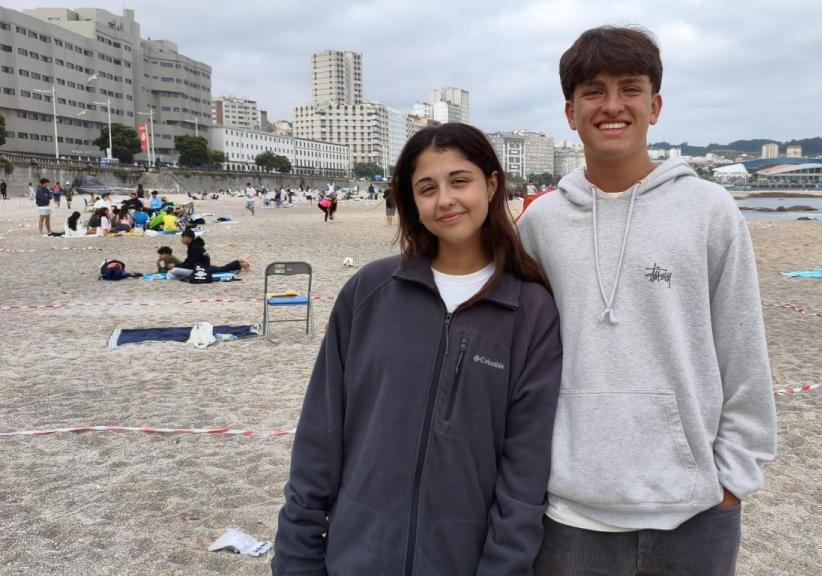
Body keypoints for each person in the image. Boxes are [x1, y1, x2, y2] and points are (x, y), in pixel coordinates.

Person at [517, 26, 776, 575]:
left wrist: (732, 479)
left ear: (655, 106)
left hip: (696, 511)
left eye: (629, 89)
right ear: (570, 112)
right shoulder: (540, 224)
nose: (612, 105)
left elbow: (743, 350)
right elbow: (519, 357)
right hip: (568, 512)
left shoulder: (709, 210)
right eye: (593, 91)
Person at [272, 123, 562, 575]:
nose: (445, 199)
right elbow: (319, 436)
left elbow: (525, 470)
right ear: (412, 201)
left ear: (491, 185)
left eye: (459, 181)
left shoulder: (530, 310)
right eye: (427, 188)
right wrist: (297, 558)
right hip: (357, 556)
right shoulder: (368, 291)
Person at [166, 228, 250, 280]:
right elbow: (189, 262)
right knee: (221, 268)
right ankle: (239, 262)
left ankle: (241, 264)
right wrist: (179, 265)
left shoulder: (195, 248)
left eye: (183, 237)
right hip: (204, 266)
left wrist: (176, 266)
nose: (181, 239)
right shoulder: (193, 246)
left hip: (202, 268)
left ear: (189, 238)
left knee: (173, 271)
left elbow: (191, 264)